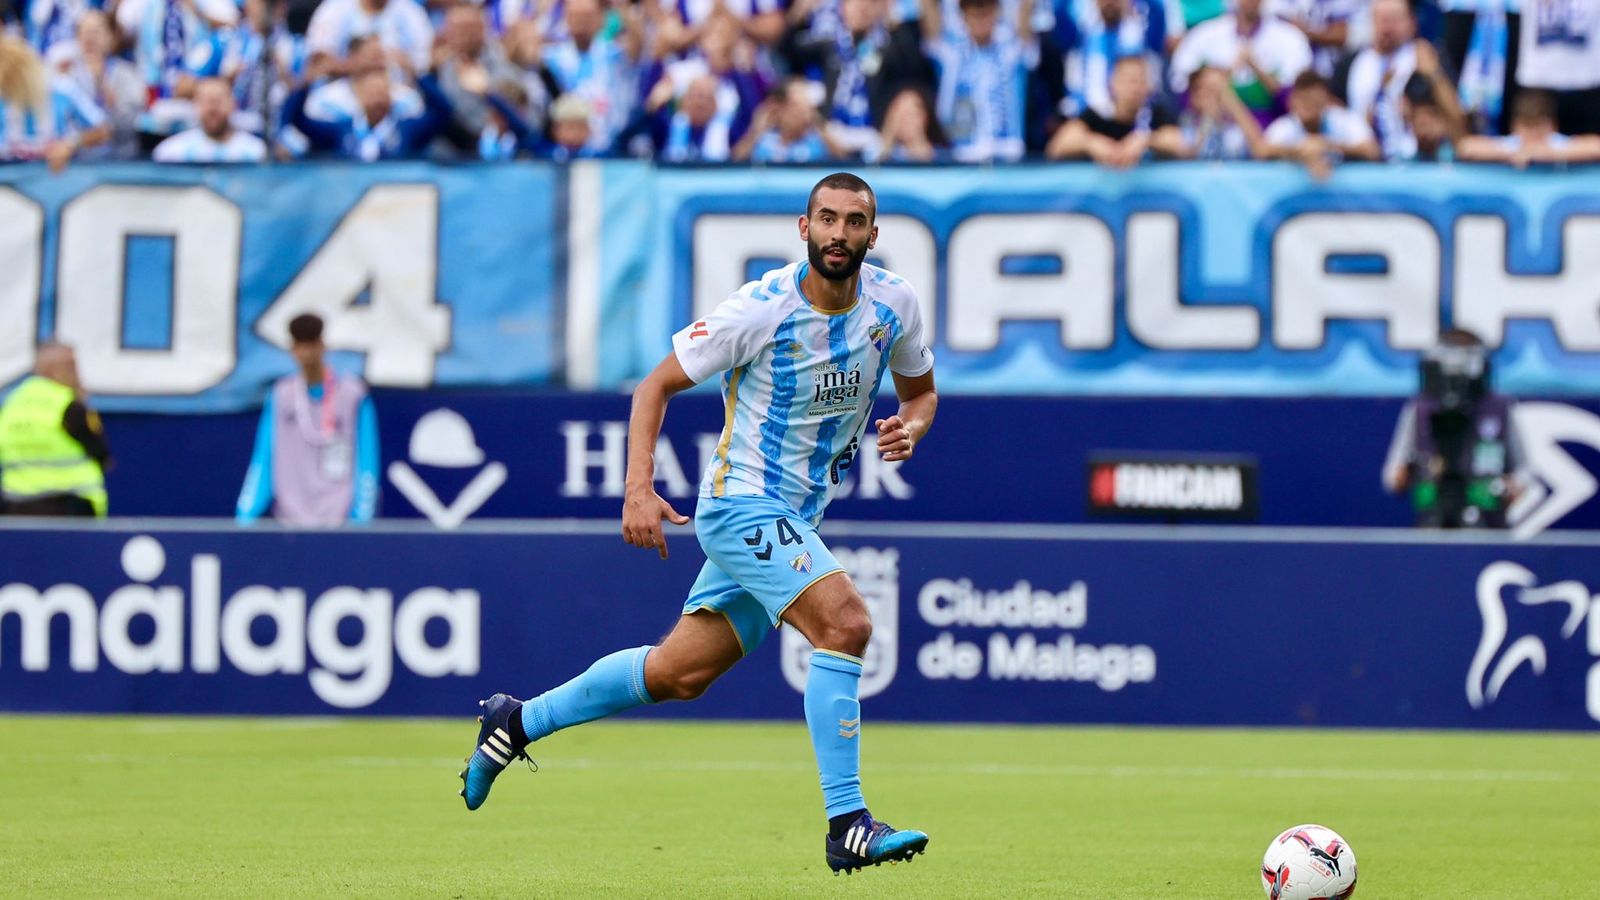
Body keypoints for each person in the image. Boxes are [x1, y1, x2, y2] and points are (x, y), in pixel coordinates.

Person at [459, 173, 938, 876]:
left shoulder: (893, 306)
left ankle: (516, 721)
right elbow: (655, 384)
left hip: (794, 517)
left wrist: (914, 427)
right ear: (803, 230)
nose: (840, 234)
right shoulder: (760, 310)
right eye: (827, 220)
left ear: (873, 232)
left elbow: (920, 392)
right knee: (846, 624)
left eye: (854, 222)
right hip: (741, 506)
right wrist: (636, 489)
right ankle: (849, 822)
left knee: (678, 673)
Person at [236, 313, 379, 527]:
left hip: (339, 522)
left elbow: (367, 461)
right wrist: (244, 519)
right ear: (292, 349)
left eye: (312, 344)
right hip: (291, 521)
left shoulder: (353, 395)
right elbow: (264, 458)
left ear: (322, 345)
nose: (307, 352)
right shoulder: (281, 395)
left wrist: (360, 522)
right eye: (301, 345)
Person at [1383, 328, 1524, 529]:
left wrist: (1512, 486)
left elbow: (1525, 472)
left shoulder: (1500, 407)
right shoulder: (1421, 407)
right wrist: (1404, 474)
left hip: (1487, 520)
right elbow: (1392, 474)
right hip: (1433, 519)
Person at [0, 343, 110, 518]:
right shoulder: (69, 405)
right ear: (52, 370)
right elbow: (103, 455)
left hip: (16, 509)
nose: (77, 373)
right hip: (69, 509)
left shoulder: (11, 405)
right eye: (71, 365)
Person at [1168, 0, 1311, 125]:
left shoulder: (1291, 39)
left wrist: (1256, 67)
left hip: (1271, 129)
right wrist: (1229, 71)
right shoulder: (1202, 36)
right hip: (1214, 127)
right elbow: (1182, 92)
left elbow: (1295, 101)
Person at [1045, 53, 1180, 164]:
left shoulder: (1155, 114)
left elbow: (1181, 144)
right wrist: (1091, 143)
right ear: (1113, 84)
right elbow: (1056, 147)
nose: (1135, 88)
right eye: (1130, 81)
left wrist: (1146, 140)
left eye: (1141, 81)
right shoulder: (1098, 115)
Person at [0, 35, 108, 171]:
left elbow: (102, 130)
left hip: (55, 181)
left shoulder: (63, 89)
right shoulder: (4, 97)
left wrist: (70, 145)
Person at [1261, 69, 1379, 176]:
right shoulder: (1285, 126)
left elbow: (1372, 151)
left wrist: (1327, 145)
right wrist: (1299, 150)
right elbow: (1262, 151)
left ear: (1326, 100)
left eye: (1314, 101)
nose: (1308, 106)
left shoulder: (1344, 120)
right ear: (1293, 101)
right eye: (1303, 99)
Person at [1458, 87, 1600, 165]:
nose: (1533, 133)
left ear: (1553, 126)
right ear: (1514, 127)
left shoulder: (1556, 143)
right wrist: (1513, 154)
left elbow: (1596, 146)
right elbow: (1466, 147)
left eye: (1538, 126)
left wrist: (1549, 155)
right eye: (1527, 126)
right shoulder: (1513, 145)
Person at [152, 76, 270, 161]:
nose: (212, 108)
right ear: (195, 105)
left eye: (218, 100)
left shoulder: (255, 152)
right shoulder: (172, 152)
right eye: (206, 101)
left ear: (233, 104)